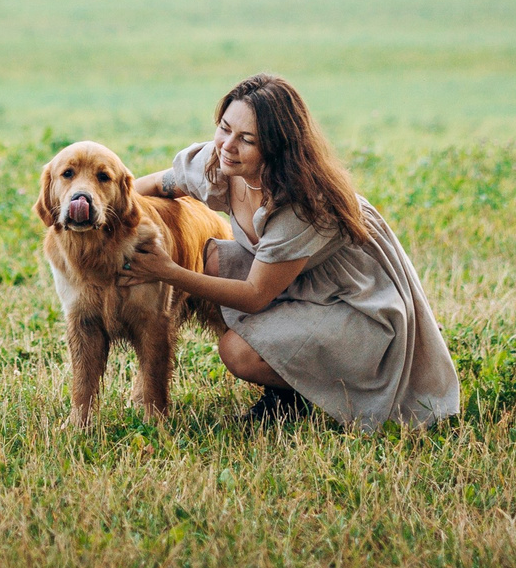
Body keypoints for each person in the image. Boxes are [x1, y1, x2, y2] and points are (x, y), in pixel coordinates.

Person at [123, 73, 461, 428]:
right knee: (213, 261)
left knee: (237, 352)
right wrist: (107, 212)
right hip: (297, 277)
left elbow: (254, 296)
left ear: (276, 148)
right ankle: (288, 378)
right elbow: (147, 188)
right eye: (225, 128)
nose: (228, 145)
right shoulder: (223, 163)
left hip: (356, 299)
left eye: (247, 139)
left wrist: (167, 271)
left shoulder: (301, 202)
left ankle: (295, 392)